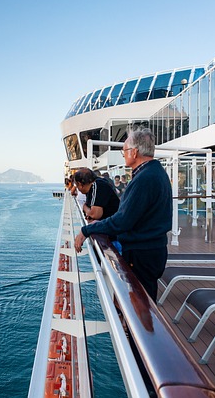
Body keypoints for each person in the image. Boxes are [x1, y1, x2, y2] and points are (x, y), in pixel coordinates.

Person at [74, 128, 172, 302]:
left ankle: (137, 330)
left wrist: (87, 230)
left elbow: (122, 221)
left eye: (124, 151)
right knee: (144, 301)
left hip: (142, 253)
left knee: (141, 306)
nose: (123, 155)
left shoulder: (145, 178)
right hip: (152, 250)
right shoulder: (154, 173)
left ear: (134, 152)